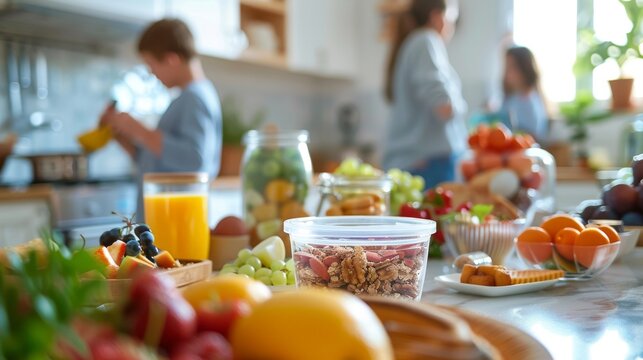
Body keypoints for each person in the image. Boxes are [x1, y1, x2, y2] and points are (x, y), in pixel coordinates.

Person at [100, 19, 222, 221]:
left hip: (174, 219)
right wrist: (125, 139)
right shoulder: (188, 97)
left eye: (151, 65)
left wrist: (138, 129)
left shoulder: (195, 97)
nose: (152, 73)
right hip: (166, 216)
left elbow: (195, 160)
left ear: (171, 59)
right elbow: (160, 162)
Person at [382, 0, 468, 188]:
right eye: (451, 17)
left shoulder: (416, 42)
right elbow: (443, 107)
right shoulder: (426, 40)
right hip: (426, 166)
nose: (452, 25)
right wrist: (460, 106)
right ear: (436, 16)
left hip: (421, 163)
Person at [498, 46, 548, 141]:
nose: (507, 72)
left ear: (524, 69)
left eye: (512, 67)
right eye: (506, 66)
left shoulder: (529, 100)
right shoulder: (512, 97)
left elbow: (532, 137)